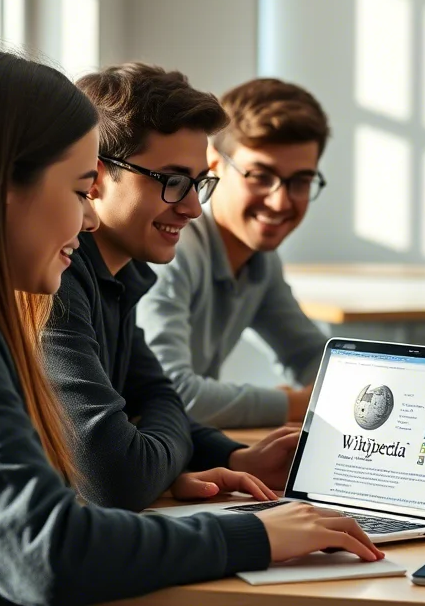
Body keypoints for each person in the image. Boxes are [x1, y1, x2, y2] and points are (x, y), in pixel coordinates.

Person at [0, 42, 380, 606]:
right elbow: (44, 549)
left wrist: (191, 464)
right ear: (2, 186)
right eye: (77, 191)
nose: (90, 217)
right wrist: (253, 533)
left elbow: (147, 408)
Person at [41, 63, 301, 511]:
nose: (194, 208)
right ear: (97, 177)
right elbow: (118, 478)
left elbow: (160, 399)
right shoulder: (54, 283)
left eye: (199, 184)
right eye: (174, 182)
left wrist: (237, 457)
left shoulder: (121, 279)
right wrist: (166, 452)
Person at [137, 78, 330, 428]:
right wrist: (293, 403)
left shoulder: (260, 259)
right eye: (260, 176)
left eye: (300, 181)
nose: (280, 201)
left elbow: (312, 356)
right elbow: (173, 393)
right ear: (213, 164)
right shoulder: (175, 251)